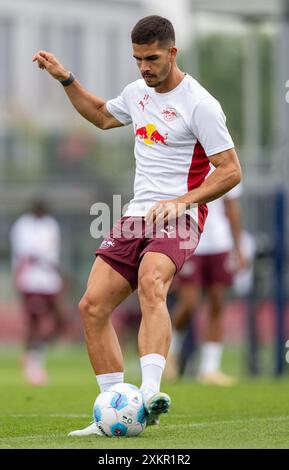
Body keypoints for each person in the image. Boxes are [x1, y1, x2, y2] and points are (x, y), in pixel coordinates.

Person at [32, 15, 241, 435]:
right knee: (92, 306)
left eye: (152, 58)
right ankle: (114, 409)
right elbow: (100, 115)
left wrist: (181, 201)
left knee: (151, 281)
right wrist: (65, 78)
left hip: (182, 215)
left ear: (172, 53)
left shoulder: (201, 104)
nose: (144, 68)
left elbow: (231, 170)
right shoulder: (136, 93)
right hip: (134, 215)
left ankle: (148, 394)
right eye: (137, 60)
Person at [166, 182, 247, 385]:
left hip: (220, 243)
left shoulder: (225, 164)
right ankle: (169, 354)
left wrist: (239, 248)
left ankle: (210, 368)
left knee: (218, 302)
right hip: (189, 239)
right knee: (189, 303)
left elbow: (232, 209)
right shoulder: (187, 163)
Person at [10, 200, 65, 385]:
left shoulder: (51, 224)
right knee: (34, 323)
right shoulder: (23, 225)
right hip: (32, 281)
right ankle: (33, 365)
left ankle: (34, 354)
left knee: (60, 321)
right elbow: (27, 255)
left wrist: (58, 272)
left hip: (50, 281)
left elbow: (52, 253)